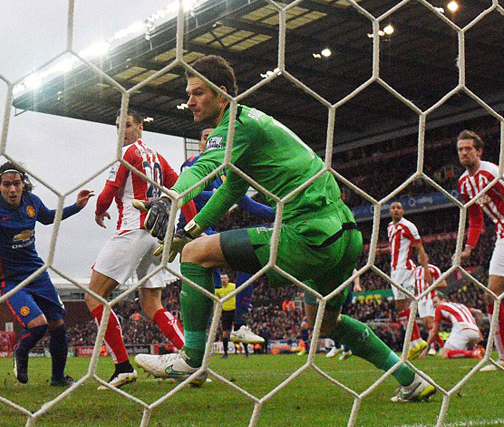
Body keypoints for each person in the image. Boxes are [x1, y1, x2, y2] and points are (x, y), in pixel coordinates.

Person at [132, 54, 435, 402]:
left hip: (308, 233)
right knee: (326, 324)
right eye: (188, 93)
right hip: (345, 233)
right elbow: (230, 190)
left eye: (198, 93)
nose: (189, 101)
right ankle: (410, 380)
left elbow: (204, 169)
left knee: (194, 255)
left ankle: (192, 359)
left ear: (222, 93)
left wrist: (169, 198)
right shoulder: (252, 121)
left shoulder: (234, 125)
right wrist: (189, 230)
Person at [0, 162, 93, 387]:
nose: (12, 189)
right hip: (11, 280)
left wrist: (76, 206)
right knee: (38, 324)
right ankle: (21, 350)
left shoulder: (32, 202)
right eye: (7, 184)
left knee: (58, 325)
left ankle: (58, 378)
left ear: (23, 183)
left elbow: (48, 217)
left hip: (38, 274)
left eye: (16, 183)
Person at [85, 109, 195, 389]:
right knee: (152, 304)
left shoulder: (126, 154)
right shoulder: (158, 157)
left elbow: (109, 190)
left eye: (127, 125)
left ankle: (123, 367)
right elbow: (182, 190)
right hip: (158, 236)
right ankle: (193, 361)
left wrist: (98, 211)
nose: (122, 131)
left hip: (134, 229)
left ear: (140, 127)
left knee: (94, 296)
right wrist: (194, 223)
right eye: (118, 126)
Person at [181, 127, 274, 346]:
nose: (210, 142)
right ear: (200, 144)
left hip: (209, 233)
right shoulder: (193, 163)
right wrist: (217, 195)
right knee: (209, 291)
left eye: (214, 138)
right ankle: (197, 340)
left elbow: (247, 204)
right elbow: (187, 194)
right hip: (190, 230)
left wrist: (279, 212)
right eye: (206, 138)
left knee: (244, 263)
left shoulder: (226, 172)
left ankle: (238, 326)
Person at [456, 129, 504, 371]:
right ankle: (502, 357)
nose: (464, 153)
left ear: (479, 151)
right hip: (502, 236)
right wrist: (468, 248)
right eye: (460, 149)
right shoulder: (464, 183)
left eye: (468, 148)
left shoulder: (492, 172)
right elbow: (475, 219)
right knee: (491, 295)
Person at [375, 201, 430, 359]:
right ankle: (416, 342)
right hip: (396, 269)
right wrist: (382, 251)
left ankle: (415, 342)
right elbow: (395, 247)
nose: (396, 210)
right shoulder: (390, 227)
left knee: (401, 306)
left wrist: (426, 270)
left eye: (399, 208)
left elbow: (420, 248)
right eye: (393, 208)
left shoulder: (408, 226)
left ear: (403, 211)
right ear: (390, 211)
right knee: (402, 307)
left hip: (404, 269)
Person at [419, 292, 483, 359]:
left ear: (443, 300)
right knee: (464, 350)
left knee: (445, 354)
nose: (434, 305)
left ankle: (473, 353)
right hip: (475, 332)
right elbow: (478, 312)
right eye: (433, 304)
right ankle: (476, 351)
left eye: (435, 302)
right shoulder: (460, 305)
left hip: (462, 329)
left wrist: (426, 349)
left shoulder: (440, 307)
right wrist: (478, 330)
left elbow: (434, 331)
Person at [413, 262, 446, 355]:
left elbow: (443, 284)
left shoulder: (433, 269)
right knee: (427, 325)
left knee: (431, 323)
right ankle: (442, 345)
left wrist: (431, 286)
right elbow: (415, 286)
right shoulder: (416, 270)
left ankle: (432, 348)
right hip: (420, 299)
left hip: (430, 298)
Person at [214, 273, 247, 358]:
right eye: (221, 278)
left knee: (240, 332)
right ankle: (225, 353)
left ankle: (246, 352)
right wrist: (216, 312)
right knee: (225, 333)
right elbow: (216, 301)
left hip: (235, 311)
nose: (223, 280)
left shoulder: (233, 286)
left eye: (225, 278)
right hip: (225, 312)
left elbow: (241, 295)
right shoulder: (218, 290)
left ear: (228, 279)